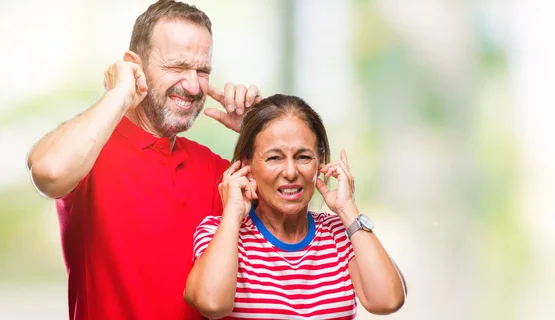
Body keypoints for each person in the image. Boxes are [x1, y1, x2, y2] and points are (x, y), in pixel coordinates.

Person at [26, 1, 261, 319]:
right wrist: (119, 93)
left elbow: (291, 215)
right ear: (134, 65)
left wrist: (258, 131)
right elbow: (49, 173)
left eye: (202, 70)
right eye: (177, 67)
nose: (192, 86)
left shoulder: (214, 170)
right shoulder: (90, 151)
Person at [184, 94, 407, 319]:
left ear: (320, 161)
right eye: (274, 158)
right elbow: (211, 303)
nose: (291, 172)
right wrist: (233, 214)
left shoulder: (340, 232)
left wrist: (348, 209)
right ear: (247, 164)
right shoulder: (218, 232)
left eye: (303, 157)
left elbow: (387, 300)